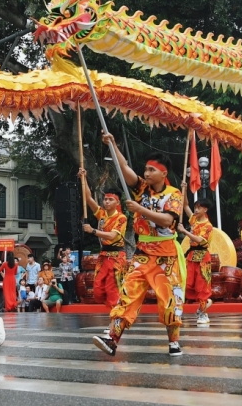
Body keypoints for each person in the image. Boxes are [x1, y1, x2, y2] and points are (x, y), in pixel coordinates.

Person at [92, 133, 185, 357]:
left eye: (152, 170)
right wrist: (113, 144)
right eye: (146, 169)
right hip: (142, 254)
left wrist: (140, 210)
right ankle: (112, 339)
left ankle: (173, 342)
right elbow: (125, 168)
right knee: (128, 295)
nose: (146, 173)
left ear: (163, 172)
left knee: (169, 301)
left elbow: (168, 220)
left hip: (167, 257)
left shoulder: (174, 194)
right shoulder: (141, 189)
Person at [82, 169, 128, 310]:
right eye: (105, 199)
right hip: (103, 257)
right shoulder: (102, 214)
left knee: (112, 289)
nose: (106, 201)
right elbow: (89, 198)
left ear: (117, 202)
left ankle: (114, 323)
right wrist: (83, 178)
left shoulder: (121, 218)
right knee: (98, 291)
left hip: (116, 258)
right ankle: (115, 315)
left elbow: (113, 236)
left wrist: (93, 231)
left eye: (110, 199)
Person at [178, 196, 215, 325]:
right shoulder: (194, 219)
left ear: (205, 209)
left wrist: (184, 231)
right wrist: (185, 189)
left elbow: (199, 240)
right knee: (186, 284)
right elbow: (185, 205)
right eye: (195, 207)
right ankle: (187, 310)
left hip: (203, 258)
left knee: (202, 286)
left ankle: (204, 313)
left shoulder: (208, 226)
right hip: (191, 256)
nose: (196, 210)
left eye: (199, 207)